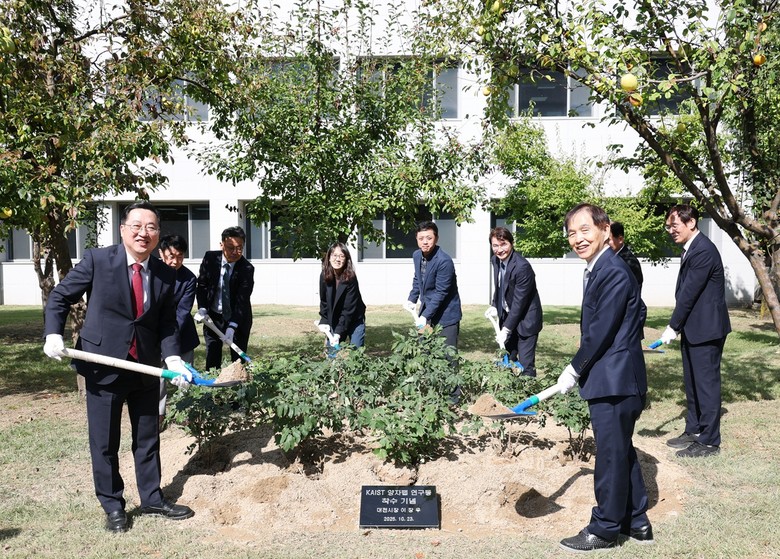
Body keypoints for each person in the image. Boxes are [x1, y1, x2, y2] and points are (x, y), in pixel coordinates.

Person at [43, 200, 195, 533]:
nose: (144, 233)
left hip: (145, 367)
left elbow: (167, 323)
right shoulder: (98, 260)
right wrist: (53, 333)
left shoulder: (165, 274)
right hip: (104, 365)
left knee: (147, 438)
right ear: (123, 229)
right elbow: (60, 296)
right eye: (137, 226)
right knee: (104, 442)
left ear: (158, 234)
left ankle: (152, 497)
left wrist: (173, 357)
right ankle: (113, 505)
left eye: (151, 227)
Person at [556, 203, 651, 552]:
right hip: (615, 378)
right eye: (572, 233)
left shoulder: (612, 270)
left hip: (615, 381)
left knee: (610, 456)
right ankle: (637, 521)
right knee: (619, 450)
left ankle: (605, 529)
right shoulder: (601, 268)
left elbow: (600, 331)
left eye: (585, 230)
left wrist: (574, 368)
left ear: (605, 229)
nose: (578, 238)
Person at [660, 204, 731, 458]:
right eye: (668, 226)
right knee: (692, 383)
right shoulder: (691, 248)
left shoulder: (703, 250)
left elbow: (689, 293)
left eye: (674, 225)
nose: (671, 230)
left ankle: (709, 442)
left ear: (691, 223)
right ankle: (694, 429)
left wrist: (673, 326)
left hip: (707, 329)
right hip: (694, 328)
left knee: (706, 385)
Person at [196, 226, 255, 370]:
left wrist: (232, 326)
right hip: (213, 317)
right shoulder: (210, 258)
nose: (235, 252)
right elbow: (202, 285)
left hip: (238, 319)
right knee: (212, 358)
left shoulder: (247, 268)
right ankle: (212, 383)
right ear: (221, 245)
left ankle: (238, 383)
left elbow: (242, 299)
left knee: (238, 362)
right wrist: (202, 308)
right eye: (231, 247)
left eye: (239, 248)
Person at [488, 226, 543, 376]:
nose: (499, 250)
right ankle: (511, 388)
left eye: (503, 244)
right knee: (507, 358)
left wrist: (506, 329)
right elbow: (500, 286)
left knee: (526, 365)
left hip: (526, 320)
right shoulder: (495, 260)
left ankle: (528, 389)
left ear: (511, 243)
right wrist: (494, 305)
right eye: (495, 245)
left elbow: (520, 303)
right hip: (508, 317)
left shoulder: (522, 267)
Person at [157, 234, 200, 427]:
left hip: (182, 335)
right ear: (161, 253)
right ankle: (158, 414)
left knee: (185, 374)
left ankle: (184, 412)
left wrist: (169, 337)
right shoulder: (152, 271)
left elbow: (183, 312)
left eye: (180, 256)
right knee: (158, 375)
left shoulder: (189, 278)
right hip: (154, 334)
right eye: (171, 256)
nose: (175, 261)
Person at [405, 221, 462, 350]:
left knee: (447, 355)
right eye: (421, 238)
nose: (425, 242)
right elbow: (418, 278)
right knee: (425, 352)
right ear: (416, 239)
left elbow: (441, 293)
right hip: (427, 311)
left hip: (446, 315)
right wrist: (412, 299)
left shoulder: (444, 261)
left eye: (429, 238)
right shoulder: (417, 255)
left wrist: (425, 316)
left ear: (436, 238)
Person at [319, 242, 366, 350]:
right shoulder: (324, 275)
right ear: (329, 257)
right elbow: (324, 301)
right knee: (332, 352)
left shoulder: (351, 278)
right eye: (334, 255)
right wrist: (324, 321)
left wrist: (338, 333)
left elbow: (348, 309)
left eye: (341, 256)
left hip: (354, 318)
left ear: (346, 259)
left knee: (356, 352)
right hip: (335, 319)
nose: (337, 259)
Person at [608, 222, 643, 289]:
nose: (605, 243)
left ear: (620, 239)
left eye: (608, 240)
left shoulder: (629, 262)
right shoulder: (609, 257)